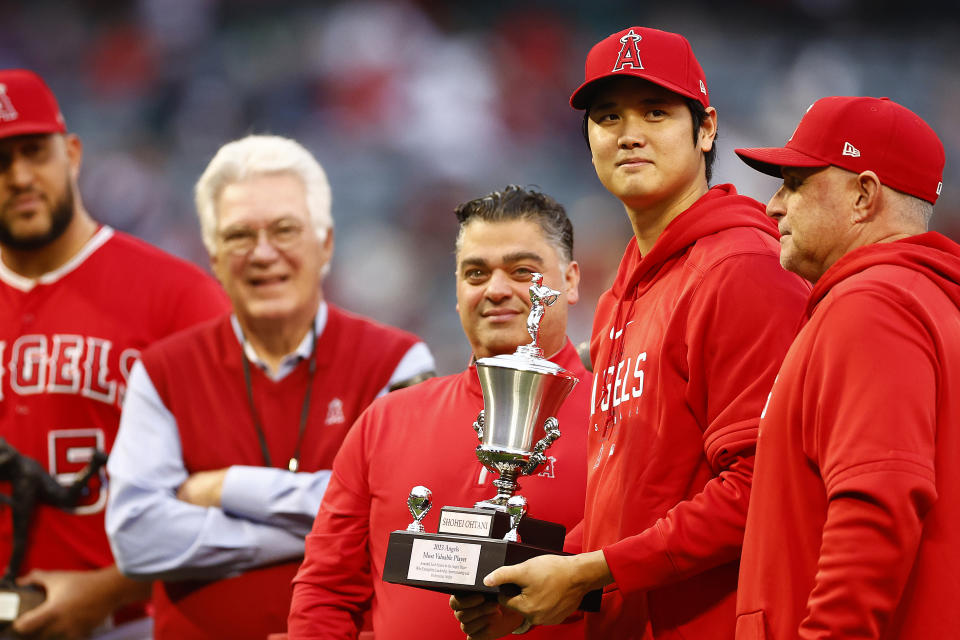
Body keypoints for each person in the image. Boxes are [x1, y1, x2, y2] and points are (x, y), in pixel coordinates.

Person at [452, 27, 811, 639]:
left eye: (656, 111)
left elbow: (763, 489)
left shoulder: (743, 269)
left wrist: (592, 570)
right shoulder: (622, 292)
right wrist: (548, 571)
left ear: (707, 129)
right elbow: (635, 502)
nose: (629, 133)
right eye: (608, 116)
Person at [104, 134, 436, 640]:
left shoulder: (397, 360)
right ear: (213, 256)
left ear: (325, 244)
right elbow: (137, 539)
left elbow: (406, 516)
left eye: (284, 230)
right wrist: (327, 528)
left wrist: (226, 487)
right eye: (239, 236)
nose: (263, 253)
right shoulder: (162, 371)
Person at [287, 185, 590, 640]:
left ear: (570, 281)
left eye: (523, 271)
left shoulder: (620, 413)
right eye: (475, 273)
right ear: (456, 288)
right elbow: (327, 592)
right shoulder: (385, 421)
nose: (497, 290)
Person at [0, 68, 230, 639]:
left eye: (35, 151)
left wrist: (108, 588)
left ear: (72, 153)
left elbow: (239, 485)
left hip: (130, 622)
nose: (20, 176)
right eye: (1, 160)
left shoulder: (177, 296)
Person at [733, 96, 960, 639]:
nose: (772, 205)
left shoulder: (874, 305)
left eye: (794, 181)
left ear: (864, 195)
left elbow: (877, 504)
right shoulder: (922, 300)